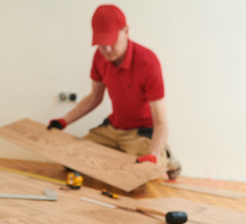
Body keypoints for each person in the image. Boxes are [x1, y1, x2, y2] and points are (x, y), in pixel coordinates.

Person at [47, 4, 181, 179]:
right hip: (112, 129)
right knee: (71, 159)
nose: (107, 50)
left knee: (142, 174)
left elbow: (161, 123)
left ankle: (165, 157)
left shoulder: (148, 63)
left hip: (140, 133)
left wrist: (153, 155)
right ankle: (128, 154)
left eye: (111, 42)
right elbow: (94, 98)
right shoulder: (99, 57)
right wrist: (64, 121)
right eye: (101, 44)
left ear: (126, 31)